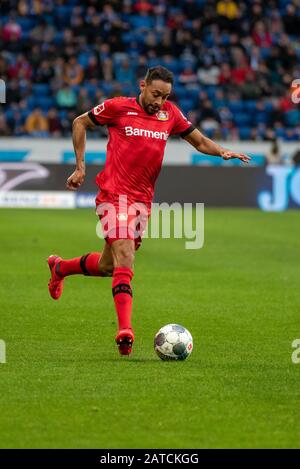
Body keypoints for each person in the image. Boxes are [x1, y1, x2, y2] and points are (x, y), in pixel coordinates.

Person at [47, 66, 250, 356]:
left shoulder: (172, 115)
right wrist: (80, 167)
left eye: (165, 96)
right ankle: (125, 331)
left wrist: (222, 152)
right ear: (143, 86)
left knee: (109, 266)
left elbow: (200, 141)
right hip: (114, 196)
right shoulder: (119, 108)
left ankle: (60, 267)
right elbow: (80, 122)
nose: (159, 102)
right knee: (126, 255)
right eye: (155, 94)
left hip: (142, 203)